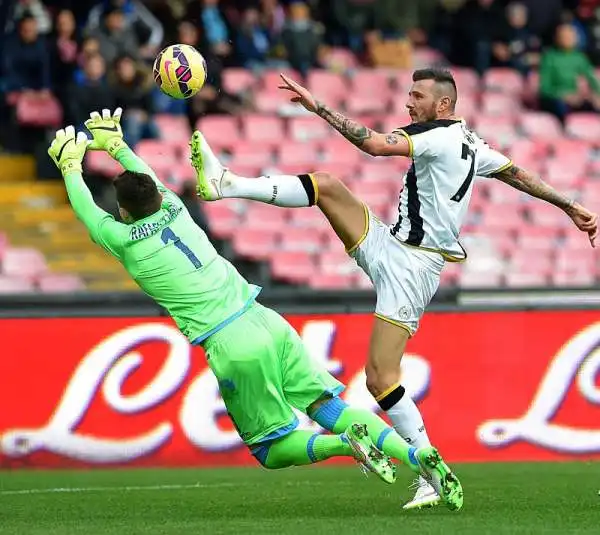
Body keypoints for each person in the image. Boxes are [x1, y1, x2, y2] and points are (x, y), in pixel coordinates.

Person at [193, 68, 599, 509]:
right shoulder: (471, 143)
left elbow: (372, 144)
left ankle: (429, 471)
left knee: (380, 378)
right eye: (408, 94)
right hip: (391, 242)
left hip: (413, 267)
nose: (409, 102)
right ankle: (226, 184)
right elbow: (518, 174)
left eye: (418, 96)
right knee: (327, 186)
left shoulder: (436, 138)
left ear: (443, 105)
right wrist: (569, 205)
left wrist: (318, 107)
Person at [46, 108, 464, 511]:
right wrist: (116, 145)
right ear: (157, 194)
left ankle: (343, 444)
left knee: (270, 449)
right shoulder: (174, 204)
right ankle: (418, 458)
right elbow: (146, 179)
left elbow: (86, 211)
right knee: (327, 407)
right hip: (266, 319)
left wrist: (69, 165)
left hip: (231, 342)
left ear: (123, 213)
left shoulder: (125, 240)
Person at [539, 23, 600, 122]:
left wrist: (596, 95)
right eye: (565, 36)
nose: (569, 39)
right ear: (557, 38)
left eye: (572, 36)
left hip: (578, 98)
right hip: (557, 99)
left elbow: (592, 79)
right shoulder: (549, 58)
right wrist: (564, 95)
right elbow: (545, 89)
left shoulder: (580, 57)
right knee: (560, 106)